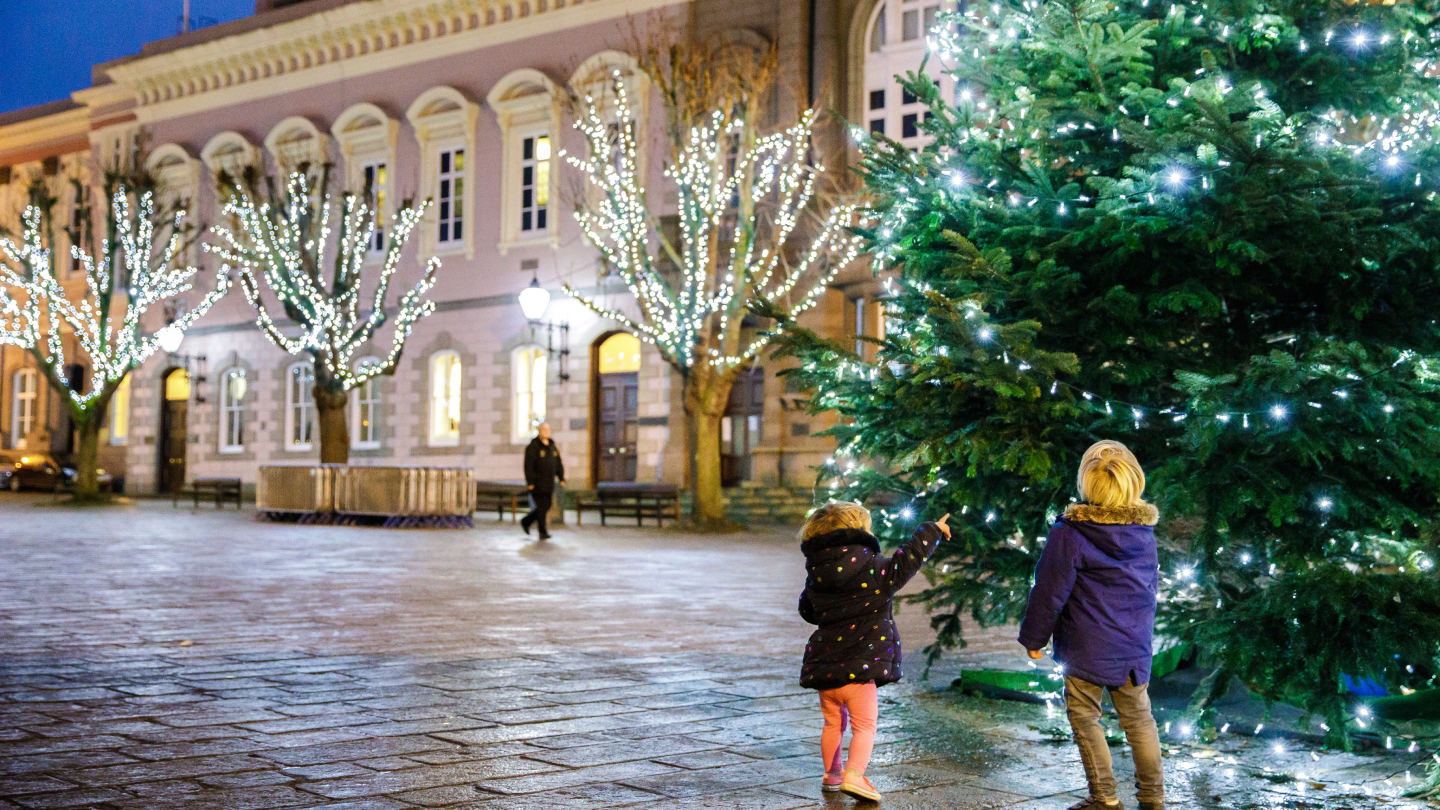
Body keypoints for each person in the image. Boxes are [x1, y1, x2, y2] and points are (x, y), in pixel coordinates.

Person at [1018, 440, 1165, 810]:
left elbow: (1049, 590)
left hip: (1084, 645)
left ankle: (1105, 797)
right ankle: (1153, 798)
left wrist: (1034, 637)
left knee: (1085, 718)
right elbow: (1149, 589)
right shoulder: (1143, 534)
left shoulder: (1070, 532)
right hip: (1132, 647)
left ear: (1086, 484)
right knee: (1140, 722)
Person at [797, 501, 950, 803]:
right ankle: (855, 776)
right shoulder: (876, 569)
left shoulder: (816, 573)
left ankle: (832, 774)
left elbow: (807, 611)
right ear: (860, 532)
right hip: (860, 669)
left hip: (826, 668)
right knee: (864, 726)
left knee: (832, 723)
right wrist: (932, 530)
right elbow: (909, 560)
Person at [521, 422, 564, 540]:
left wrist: (561, 477)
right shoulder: (533, 446)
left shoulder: (551, 445)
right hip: (537, 484)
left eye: (548, 429)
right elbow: (528, 466)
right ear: (539, 431)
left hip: (549, 483)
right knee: (542, 507)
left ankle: (526, 521)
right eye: (544, 430)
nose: (546, 432)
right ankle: (542, 532)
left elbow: (558, 462)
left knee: (546, 506)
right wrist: (530, 482)